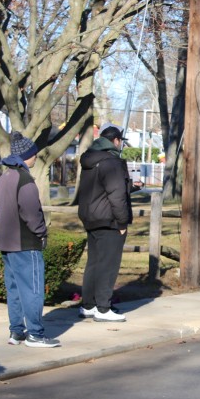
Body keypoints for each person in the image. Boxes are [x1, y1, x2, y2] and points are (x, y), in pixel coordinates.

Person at [0, 131, 60, 348]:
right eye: (34, 154)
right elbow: (32, 214)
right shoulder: (25, 180)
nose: (36, 158)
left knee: (14, 290)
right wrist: (41, 233)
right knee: (32, 290)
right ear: (26, 156)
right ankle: (35, 334)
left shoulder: (4, 178)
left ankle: (16, 332)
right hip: (25, 242)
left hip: (6, 243)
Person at [78, 123, 133, 322]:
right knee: (108, 264)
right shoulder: (112, 162)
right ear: (115, 141)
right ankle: (103, 307)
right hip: (109, 220)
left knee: (93, 263)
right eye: (120, 142)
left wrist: (131, 186)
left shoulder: (90, 159)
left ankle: (88, 305)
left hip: (91, 217)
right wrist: (122, 222)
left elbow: (99, 188)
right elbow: (116, 195)